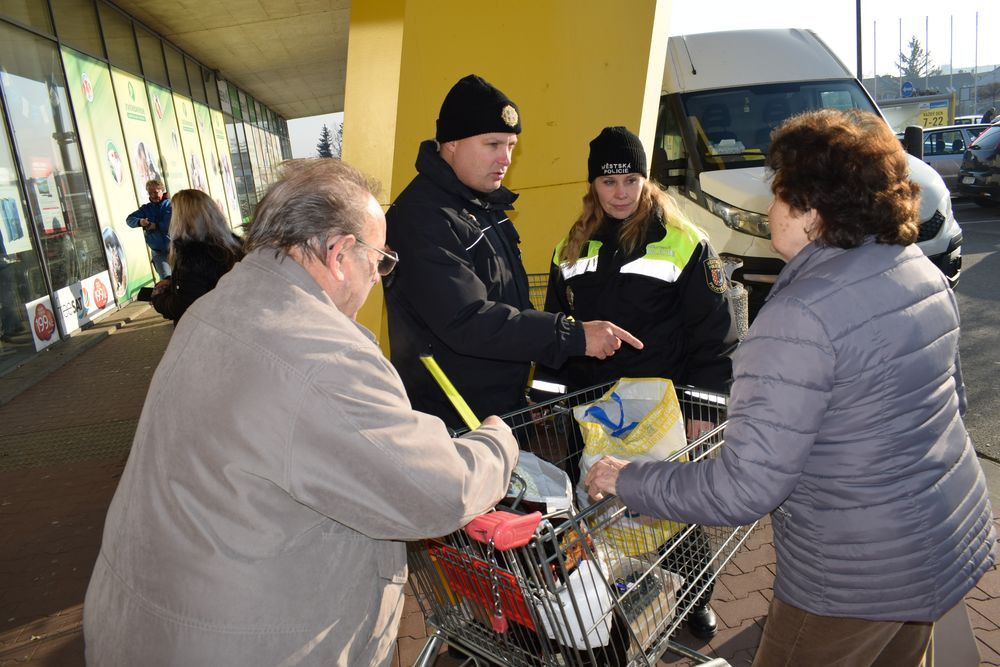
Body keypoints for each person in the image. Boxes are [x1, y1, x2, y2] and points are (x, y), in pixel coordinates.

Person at [585, 109, 996, 666]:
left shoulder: (798, 316)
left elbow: (744, 487)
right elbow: (951, 405)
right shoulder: (915, 268)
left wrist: (628, 478)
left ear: (813, 210)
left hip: (854, 576)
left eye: (778, 195)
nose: (769, 209)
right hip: (943, 539)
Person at [83, 159, 520, 666]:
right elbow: (440, 492)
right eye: (379, 261)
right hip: (241, 644)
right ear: (340, 254)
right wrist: (497, 442)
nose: (378, 279)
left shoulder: (216, 307)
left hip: (145, 621)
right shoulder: (322, 354)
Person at [545, 126, 733, 640]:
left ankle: (696, 597)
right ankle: (616, 600)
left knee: (670, 510)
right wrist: (549, 402)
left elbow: (714, 335)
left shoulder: (684, 242)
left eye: (631, 179)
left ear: (646, 180)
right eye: (609, 182)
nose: (621, 192)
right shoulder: (569, 247)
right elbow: (556, 329)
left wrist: (705, 410)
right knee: (599, 510)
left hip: (659, 411)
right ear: (593, 186)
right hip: (592, 409)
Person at [385, 74, 641, 430]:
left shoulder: (483, 207)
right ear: (452, 143)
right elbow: (467, 320)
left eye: (511, 145)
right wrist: (573, 336)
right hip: (454, 423)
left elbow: (508, 305)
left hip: (493, 413)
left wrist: (524, 391)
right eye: (493, 144)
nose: (505, 159)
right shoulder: (421, 217)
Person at [150, 189, 243, 324]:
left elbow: (183, 307)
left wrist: (158, 297)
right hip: (235, 322)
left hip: (209, 329)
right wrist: (173, 281)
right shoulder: (235, 246)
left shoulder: (192, 256)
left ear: (181, 219)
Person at [126, 178, 172, 280]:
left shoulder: (171, 205)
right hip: (158, 252)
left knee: (183, 278)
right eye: (150, 193)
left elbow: (170, 223)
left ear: (162, 190)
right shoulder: (146, 209)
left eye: (155, 192)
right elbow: (129, 219)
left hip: (176, 250)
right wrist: (140, 222)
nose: (153, 195)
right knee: (166, 280)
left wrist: (155, 226)